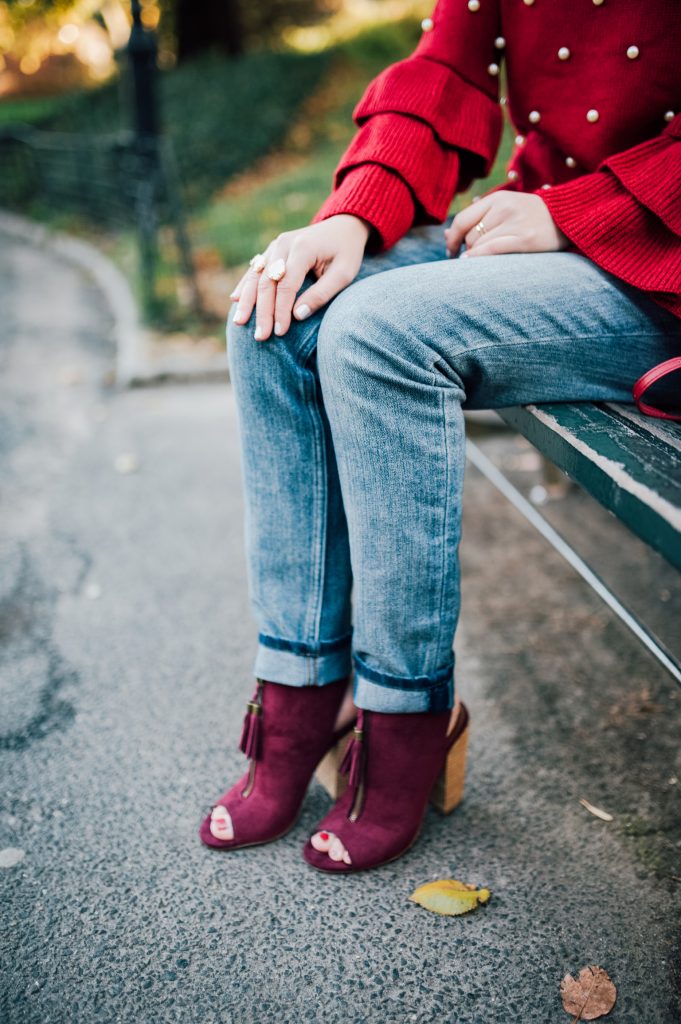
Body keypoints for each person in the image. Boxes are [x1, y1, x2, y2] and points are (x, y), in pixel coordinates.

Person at [199, 0, 681, 872]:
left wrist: (579, 210)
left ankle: (405, 708)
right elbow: (446, 71)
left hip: (660, 252)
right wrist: (351, 216)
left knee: (379, 332)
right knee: (270, 311)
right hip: (540, 227)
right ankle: (302, 692)